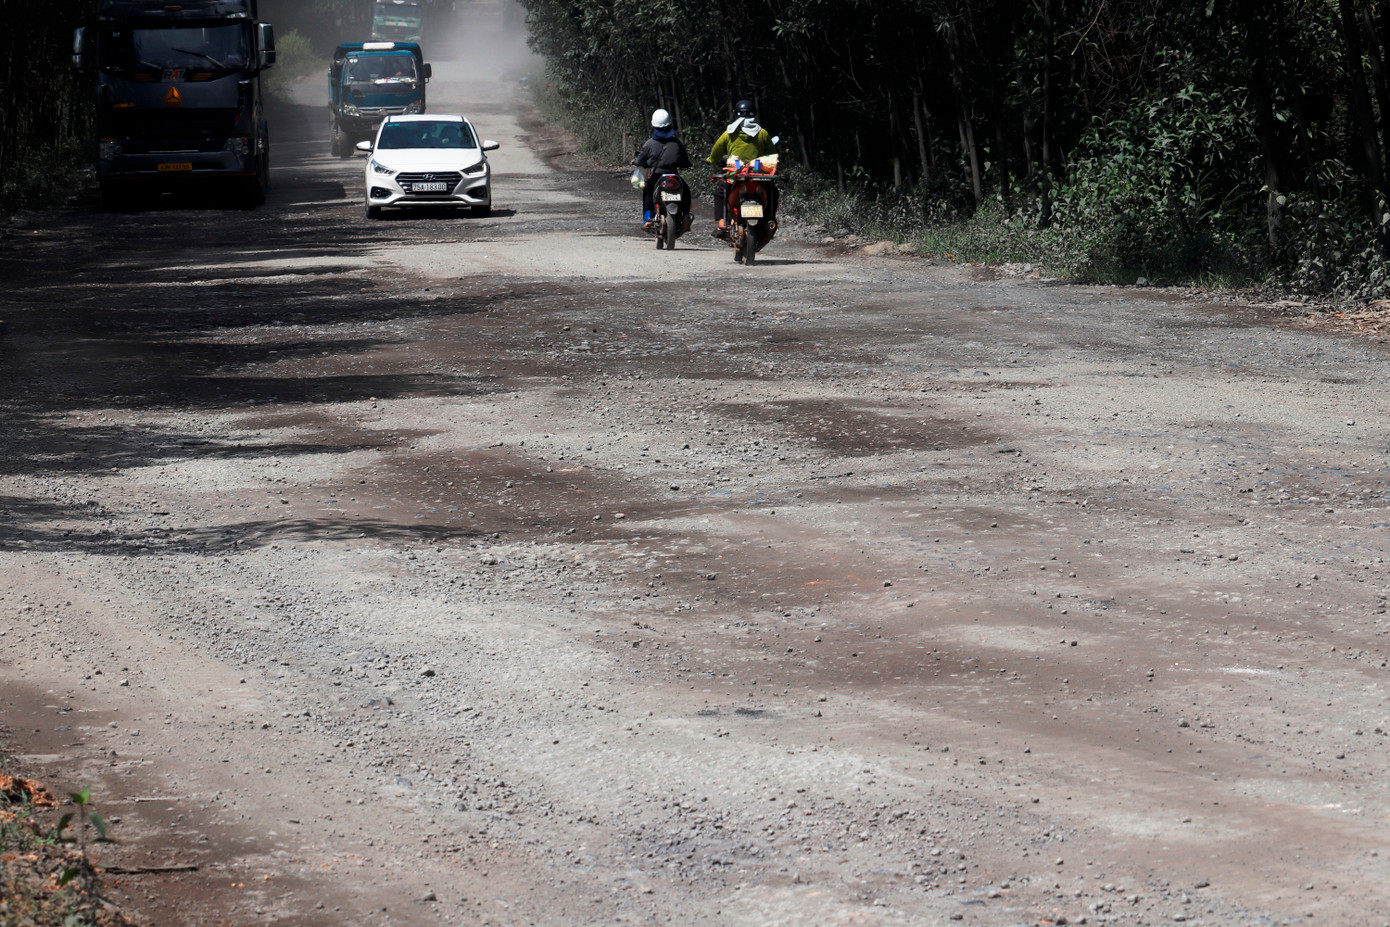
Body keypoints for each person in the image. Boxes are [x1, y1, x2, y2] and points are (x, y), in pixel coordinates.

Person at [706, 99, 778, 237]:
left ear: (736, 115)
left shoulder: (729, 133)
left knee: (720, 193)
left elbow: (716, 152)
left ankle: (722, 223)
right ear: (754, 115)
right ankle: (770, 221)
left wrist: (711, 161)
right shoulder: (762, 133)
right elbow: (772, 154)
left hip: (736, 176)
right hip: (759, 177)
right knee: (773, 193)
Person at [634, 108, 692, 231]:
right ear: (670, 124)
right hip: (674, 175)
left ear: (653, 125)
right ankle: (686, 214)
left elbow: (640, 160)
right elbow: (685, 161)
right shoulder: (677, 143)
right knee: (685, 191)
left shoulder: (649, 143)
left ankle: (647, 218)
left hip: (657, 176)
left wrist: (639, 162)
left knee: (648, 191)